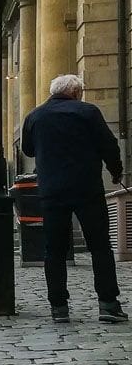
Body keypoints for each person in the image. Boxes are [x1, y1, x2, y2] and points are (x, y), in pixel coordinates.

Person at [22, 74, 126, 324]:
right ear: (76, 93)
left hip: (51, 190)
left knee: (54, 250)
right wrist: (116, 171)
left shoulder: (34, 116)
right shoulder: (88, 112)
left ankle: (58, 308)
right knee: (99, 246)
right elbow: (109, 145)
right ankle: (108, 305)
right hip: (86, 188)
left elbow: (28, 149)